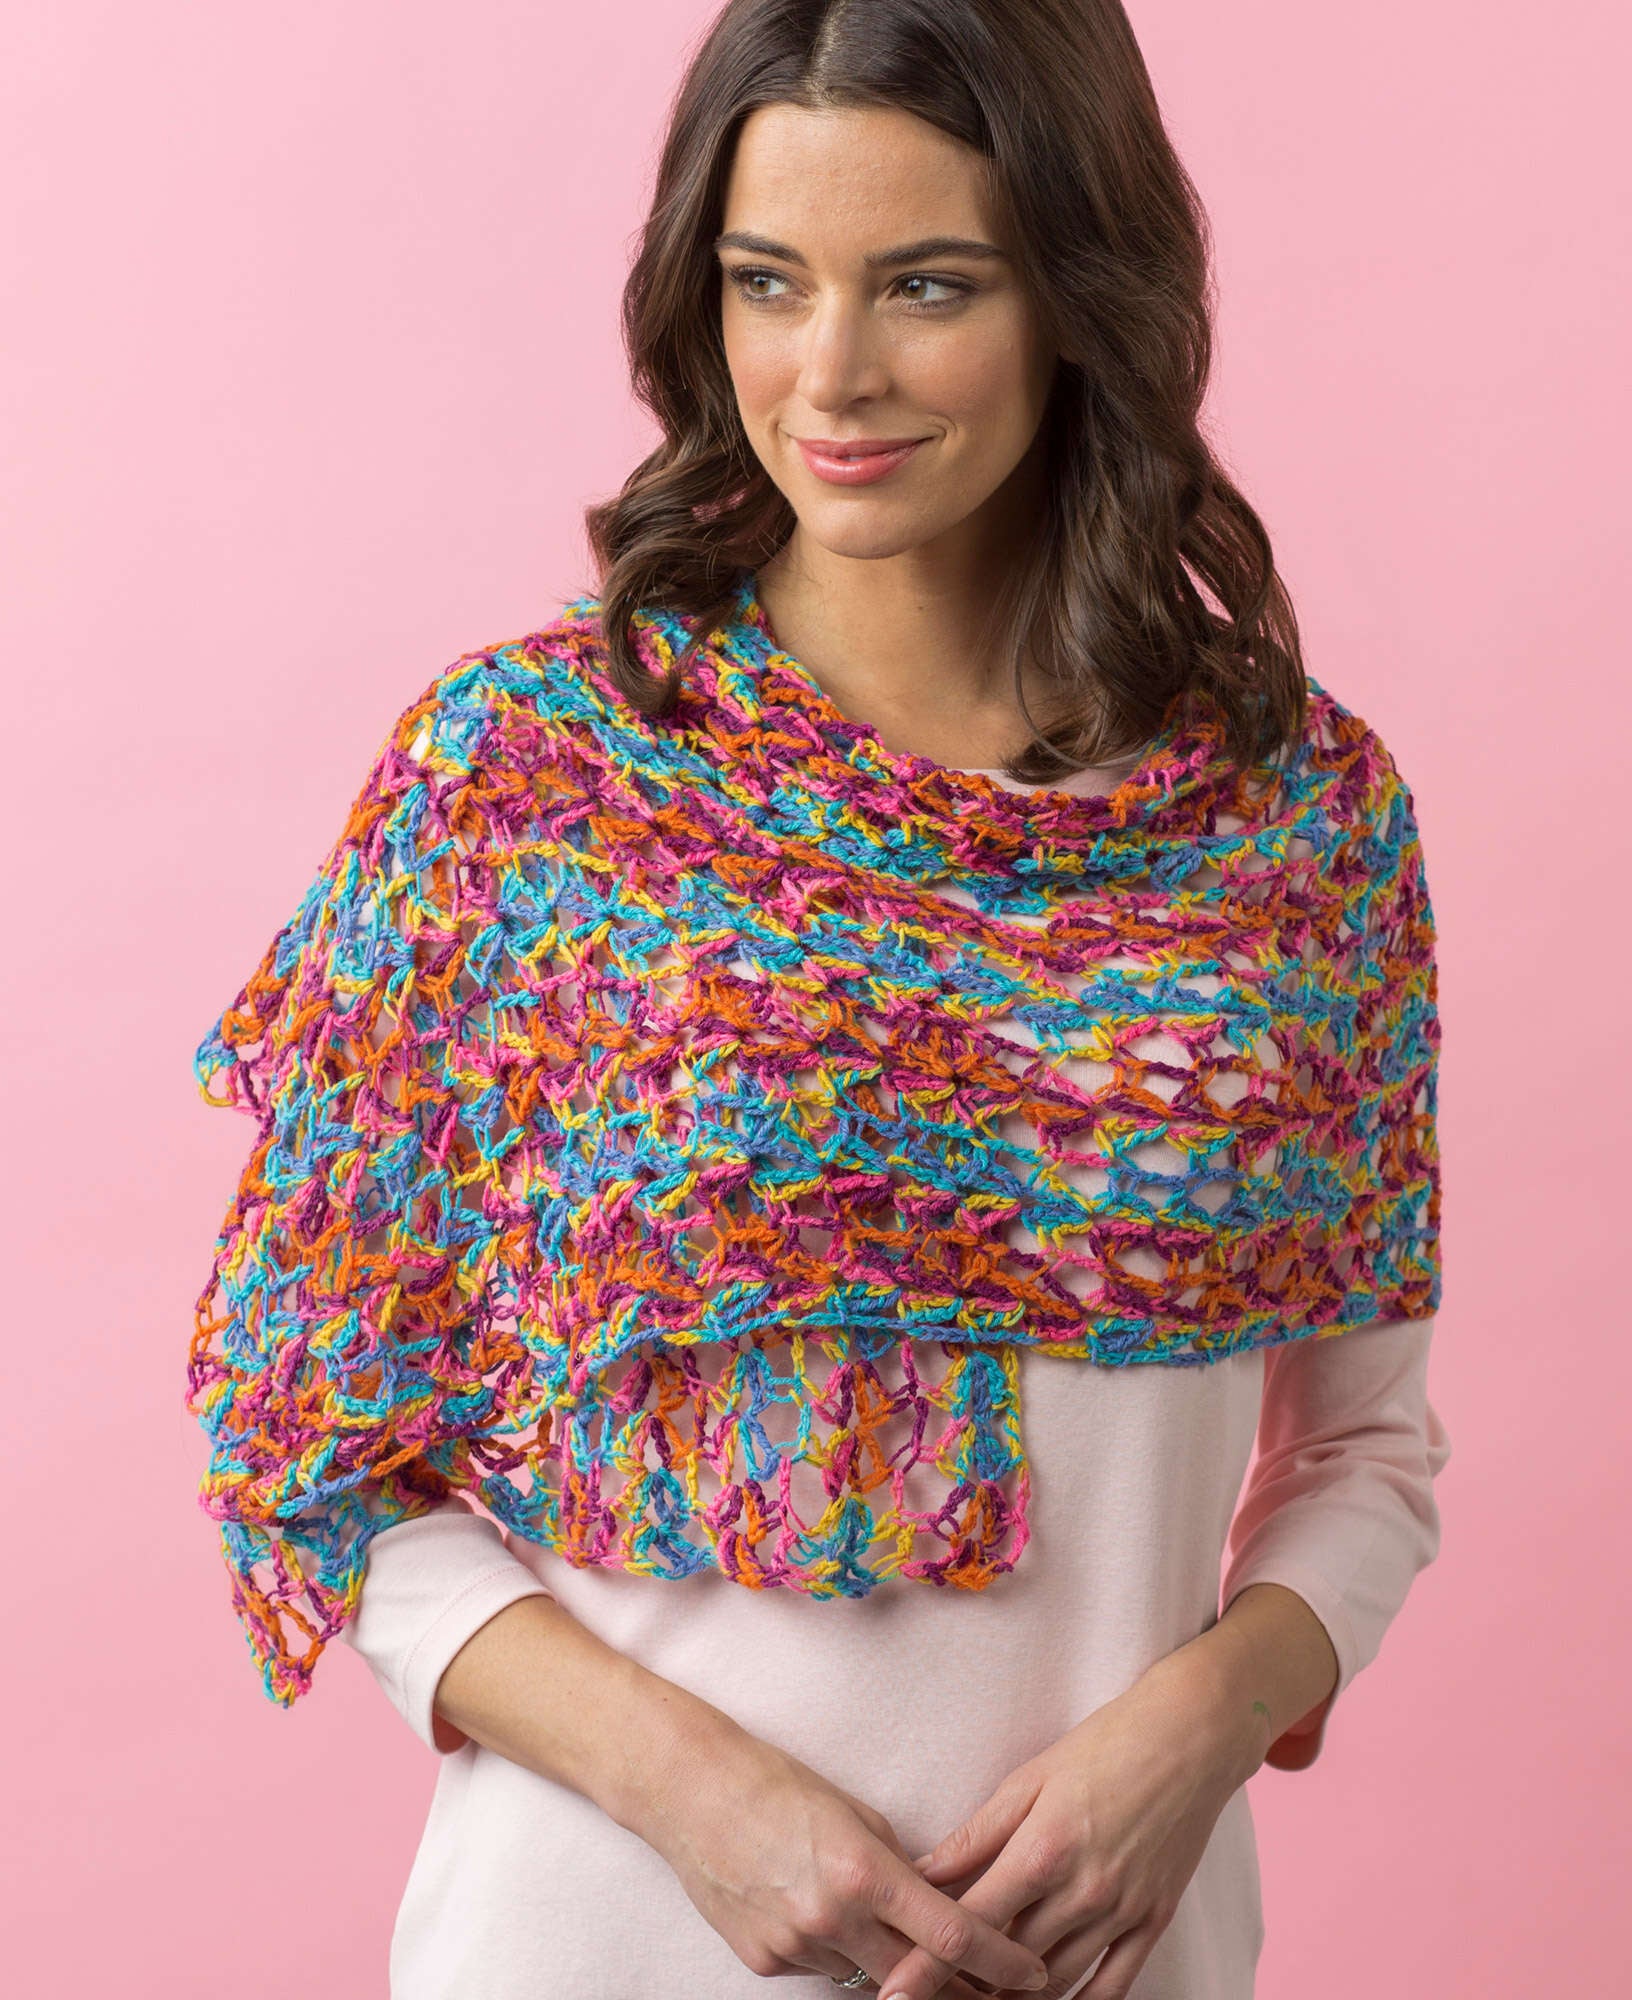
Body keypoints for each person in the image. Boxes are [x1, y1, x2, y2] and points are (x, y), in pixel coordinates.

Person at [185, 3, 1453, 1996]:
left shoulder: (1296, 820)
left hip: (1108, 1954)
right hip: (602, 1932)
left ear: (1079, 296)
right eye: (766, 282)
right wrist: (704, 1799)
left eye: (927, 285)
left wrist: (1195, 1737)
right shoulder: (537, 778)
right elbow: (306, 1437)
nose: (829, 372)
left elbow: (1365, 1458)